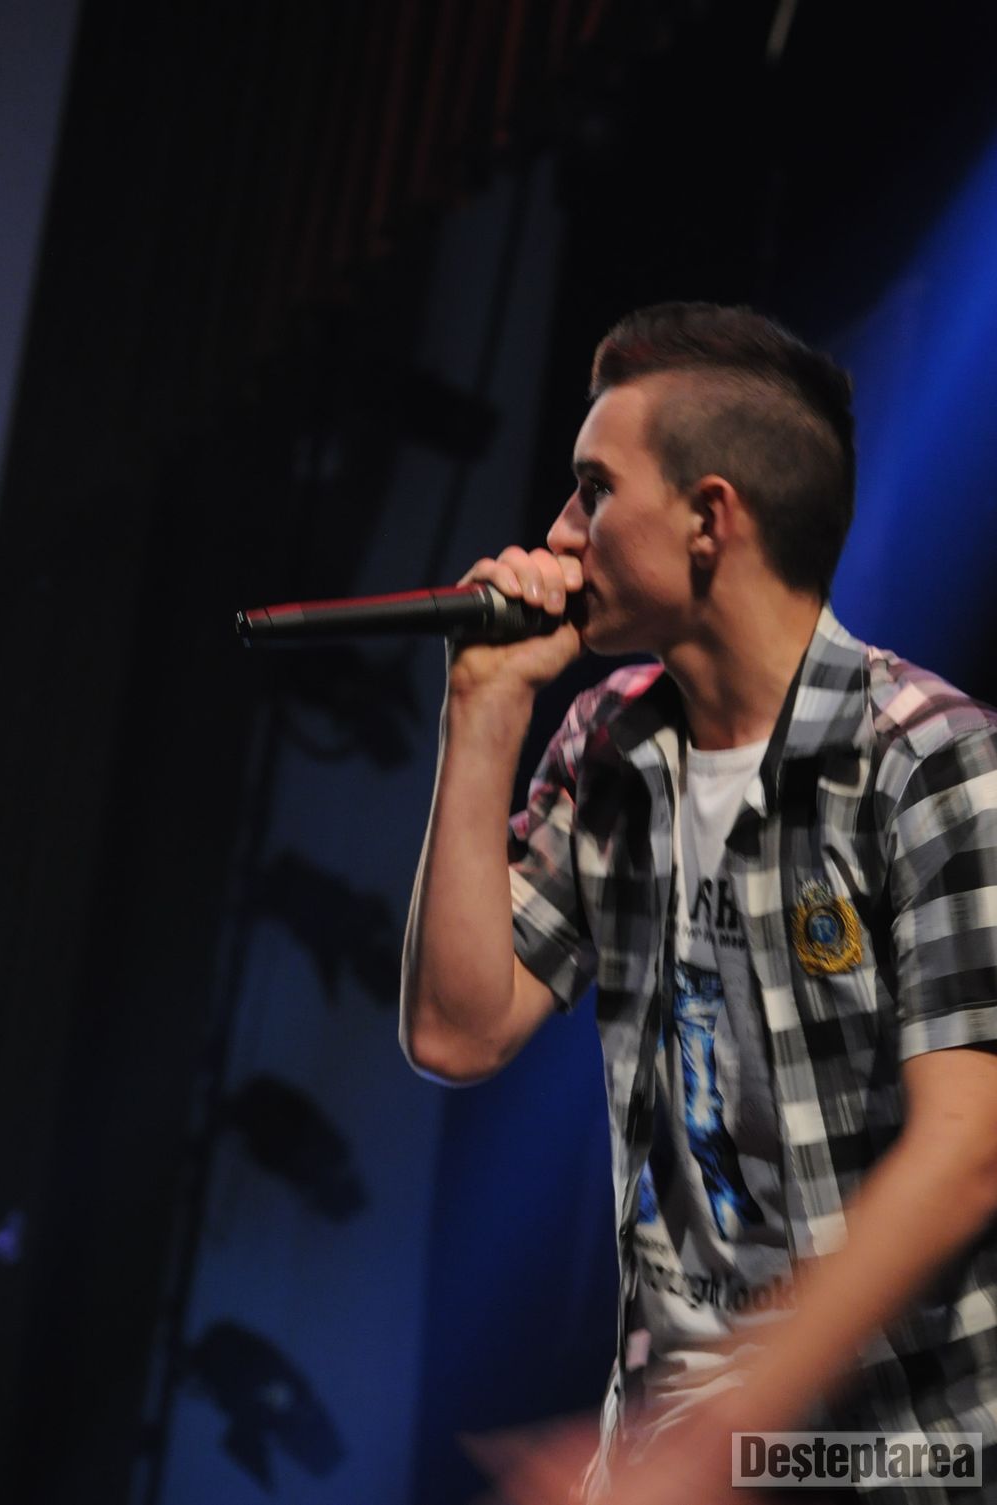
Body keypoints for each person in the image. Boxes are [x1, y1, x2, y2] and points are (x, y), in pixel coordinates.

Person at [399, 301, 997, 1503]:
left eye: (593, 491)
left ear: (709, 517)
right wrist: (485, 708)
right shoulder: (611, 741)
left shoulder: (926, 759)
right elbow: (456, 1030)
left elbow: (967, 1151)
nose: (558, 532)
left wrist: (716, 1446)